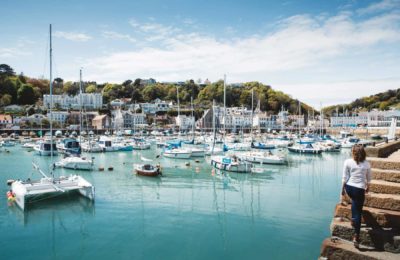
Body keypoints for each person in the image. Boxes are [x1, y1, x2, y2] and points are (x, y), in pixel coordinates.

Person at [341, 144, 371, 247]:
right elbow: (369, 178)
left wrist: (342, 190)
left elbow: (344, 177)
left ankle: (353, 220)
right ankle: (356, 236)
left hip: (349, 188)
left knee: (354, 202)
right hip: (359, 189)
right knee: (359, 211)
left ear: (353, 152)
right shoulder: (367, 164)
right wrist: (368, 187)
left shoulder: (347, 162)